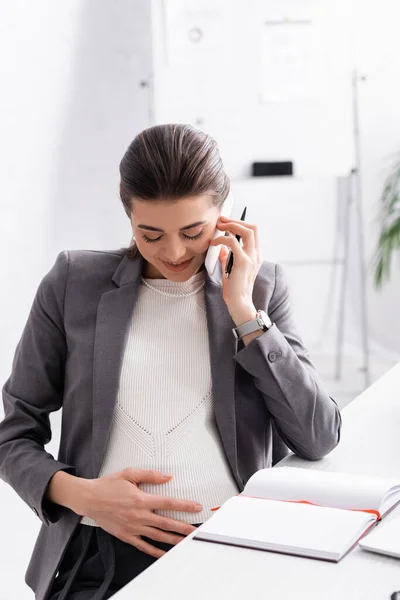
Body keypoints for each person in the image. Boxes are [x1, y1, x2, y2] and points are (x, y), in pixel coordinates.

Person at [0, 124, 341, 600]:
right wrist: (83, 495)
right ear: (129, 217)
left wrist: (243, 311)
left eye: (192, 231)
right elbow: (13, 434)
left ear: (224, 218)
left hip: (234, 554)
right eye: (150, 234)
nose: (174, 252)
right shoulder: (73, 284)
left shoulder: (261, 289)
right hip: (101, 558)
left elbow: (317, 436)